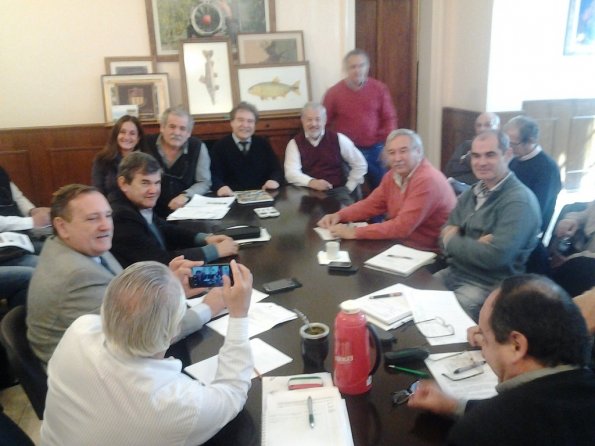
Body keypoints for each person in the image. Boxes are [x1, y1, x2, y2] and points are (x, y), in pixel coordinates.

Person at [41, 260, 253, 446]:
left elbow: (136, 328)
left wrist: (162, 298)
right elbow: (233, 393)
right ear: (175, 327)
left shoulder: (79, 330)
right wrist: (238, 315)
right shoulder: (177, 404)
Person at [27, 184, 225, 366]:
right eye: (92, 218)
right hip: (89, 376)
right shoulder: (77, 275)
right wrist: (208, 308)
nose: (106, 225)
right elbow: (144, 337)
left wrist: (168, 289)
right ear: (62, 226)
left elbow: (124, 304)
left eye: (107, 216)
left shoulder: (80, 246)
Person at [407, 275, 595, 445]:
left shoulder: (479, 432)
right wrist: (456, 406)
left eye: (485, 338)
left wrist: (479, 416)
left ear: (516, 346)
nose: (483, 351)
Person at [435, 130, 541, 320]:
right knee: (412, 301)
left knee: (442, 320)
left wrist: (454, 237)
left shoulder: (519, 201)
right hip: (454, 272)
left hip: (488, 285)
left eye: (490, 155)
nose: (481, 162)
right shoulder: (472, 193)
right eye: (476, 156)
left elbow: (495, 257)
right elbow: (442, 238)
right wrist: (474, 243)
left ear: (507, 154)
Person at [317, 129, 455, 252]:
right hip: (400, 245)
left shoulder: (427, 180)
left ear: (418, 152)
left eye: (403, 151)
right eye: (391, 153)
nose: (397, 158)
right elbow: (371, 205)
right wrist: (339, 215)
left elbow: (402, 227)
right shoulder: (392, 176)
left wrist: (354, 232)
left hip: (427, 253)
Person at [109, 152, 238, 267]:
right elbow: (160, 262)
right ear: (123, 183)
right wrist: (215, 251)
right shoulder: (121, 217)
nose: (153, 190)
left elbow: (164, 228)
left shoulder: (135, 202)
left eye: (157, 183)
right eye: (145, 183)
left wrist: (205, 239)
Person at [323, 49, 397, 191]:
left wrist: (389, 146)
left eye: (361, 65)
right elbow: (323, 123)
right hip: (346, 151)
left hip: (375, 149)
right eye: (353, 67)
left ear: (367, 67)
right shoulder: (333, 93)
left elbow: (389, 118)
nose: (357, 70)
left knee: (382, 189)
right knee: (349, 191)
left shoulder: (379, 89)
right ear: (346, 69)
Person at [284, 102, 367, 206]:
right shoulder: (294, 143)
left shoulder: (339, 139)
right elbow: (291, 173)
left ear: (324, 120)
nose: (314, 124)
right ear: (302, 120)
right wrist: (312, 182)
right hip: (307, 193)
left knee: (350, 214)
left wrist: (348, 188)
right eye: (309, 119)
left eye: (318, 119)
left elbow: (360, 164)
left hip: (337, 192)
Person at [145, 106, 212, 217]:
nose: (177, 132)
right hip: (150, 211)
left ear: (188, 133)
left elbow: (204, 182)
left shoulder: (198, 147)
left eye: (182, 128)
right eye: (172, 127)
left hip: (186, 210)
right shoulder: (146, 144)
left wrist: (185, 195)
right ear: (162, 127)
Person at [210, 102, 283, 196]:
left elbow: (277, 170)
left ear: (255, 125)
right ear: (231, 122)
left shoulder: (263, 144)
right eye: (240, 120)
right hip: (231, 197)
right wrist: (220, 186)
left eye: (250, 121)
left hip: (262, 196)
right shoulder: (220, 146)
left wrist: (274, 180)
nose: (245, 125)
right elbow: (213, 175)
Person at [504, 115, 561, 233]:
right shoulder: (514, 159)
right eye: (506, 142)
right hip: (507, 216)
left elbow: (537, 210)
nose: (508, 148)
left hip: (527, 228)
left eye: (512, 144)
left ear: (531, 141)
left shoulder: (547, 168)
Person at [92, 115, 146, 197]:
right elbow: (98, 192)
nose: (126, 137)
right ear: (116, 135)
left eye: (132, 133)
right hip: (110, 204)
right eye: (123, 132)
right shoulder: (102, 160)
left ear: (138, 138)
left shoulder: (145, 161)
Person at [550, 200, 595, 296]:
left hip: (585, 267)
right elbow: (584, 214)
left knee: (581, 267)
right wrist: (571, 220)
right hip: (578, 259)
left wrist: (571, 259)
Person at [444, 112, 500, 186]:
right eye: (479, 125)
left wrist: (465, 160)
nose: (482, 129)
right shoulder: (466, 145)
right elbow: (450, 170)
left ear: (498, 127)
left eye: (487, 125)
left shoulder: (501, 147)